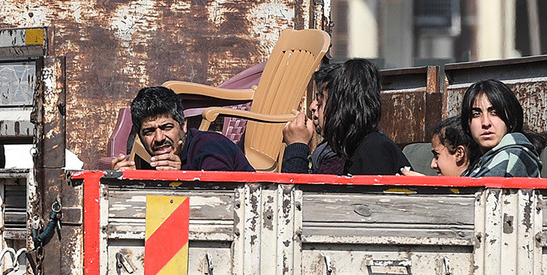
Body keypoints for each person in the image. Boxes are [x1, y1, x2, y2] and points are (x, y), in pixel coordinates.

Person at [281, 58, 405, 176]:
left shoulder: (374, 151)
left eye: (320, 100)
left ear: (341, 107)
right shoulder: (340, 152)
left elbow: (300, 195)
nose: (312, 106)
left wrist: (296, 146)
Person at [119, 86, 251, 173]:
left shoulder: (210, 146)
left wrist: (181, 178)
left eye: (167, 127)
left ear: (183, 125)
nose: (159, 138)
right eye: (149, 131)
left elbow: (220, 202)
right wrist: (119, 184)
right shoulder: (152, 159)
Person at [462, 79, 541, 177]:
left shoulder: (513, 156)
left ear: (511, 120)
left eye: (494, 112)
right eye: (476, 114)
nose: (486, 123)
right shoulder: (479, 162)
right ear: (467, 123)